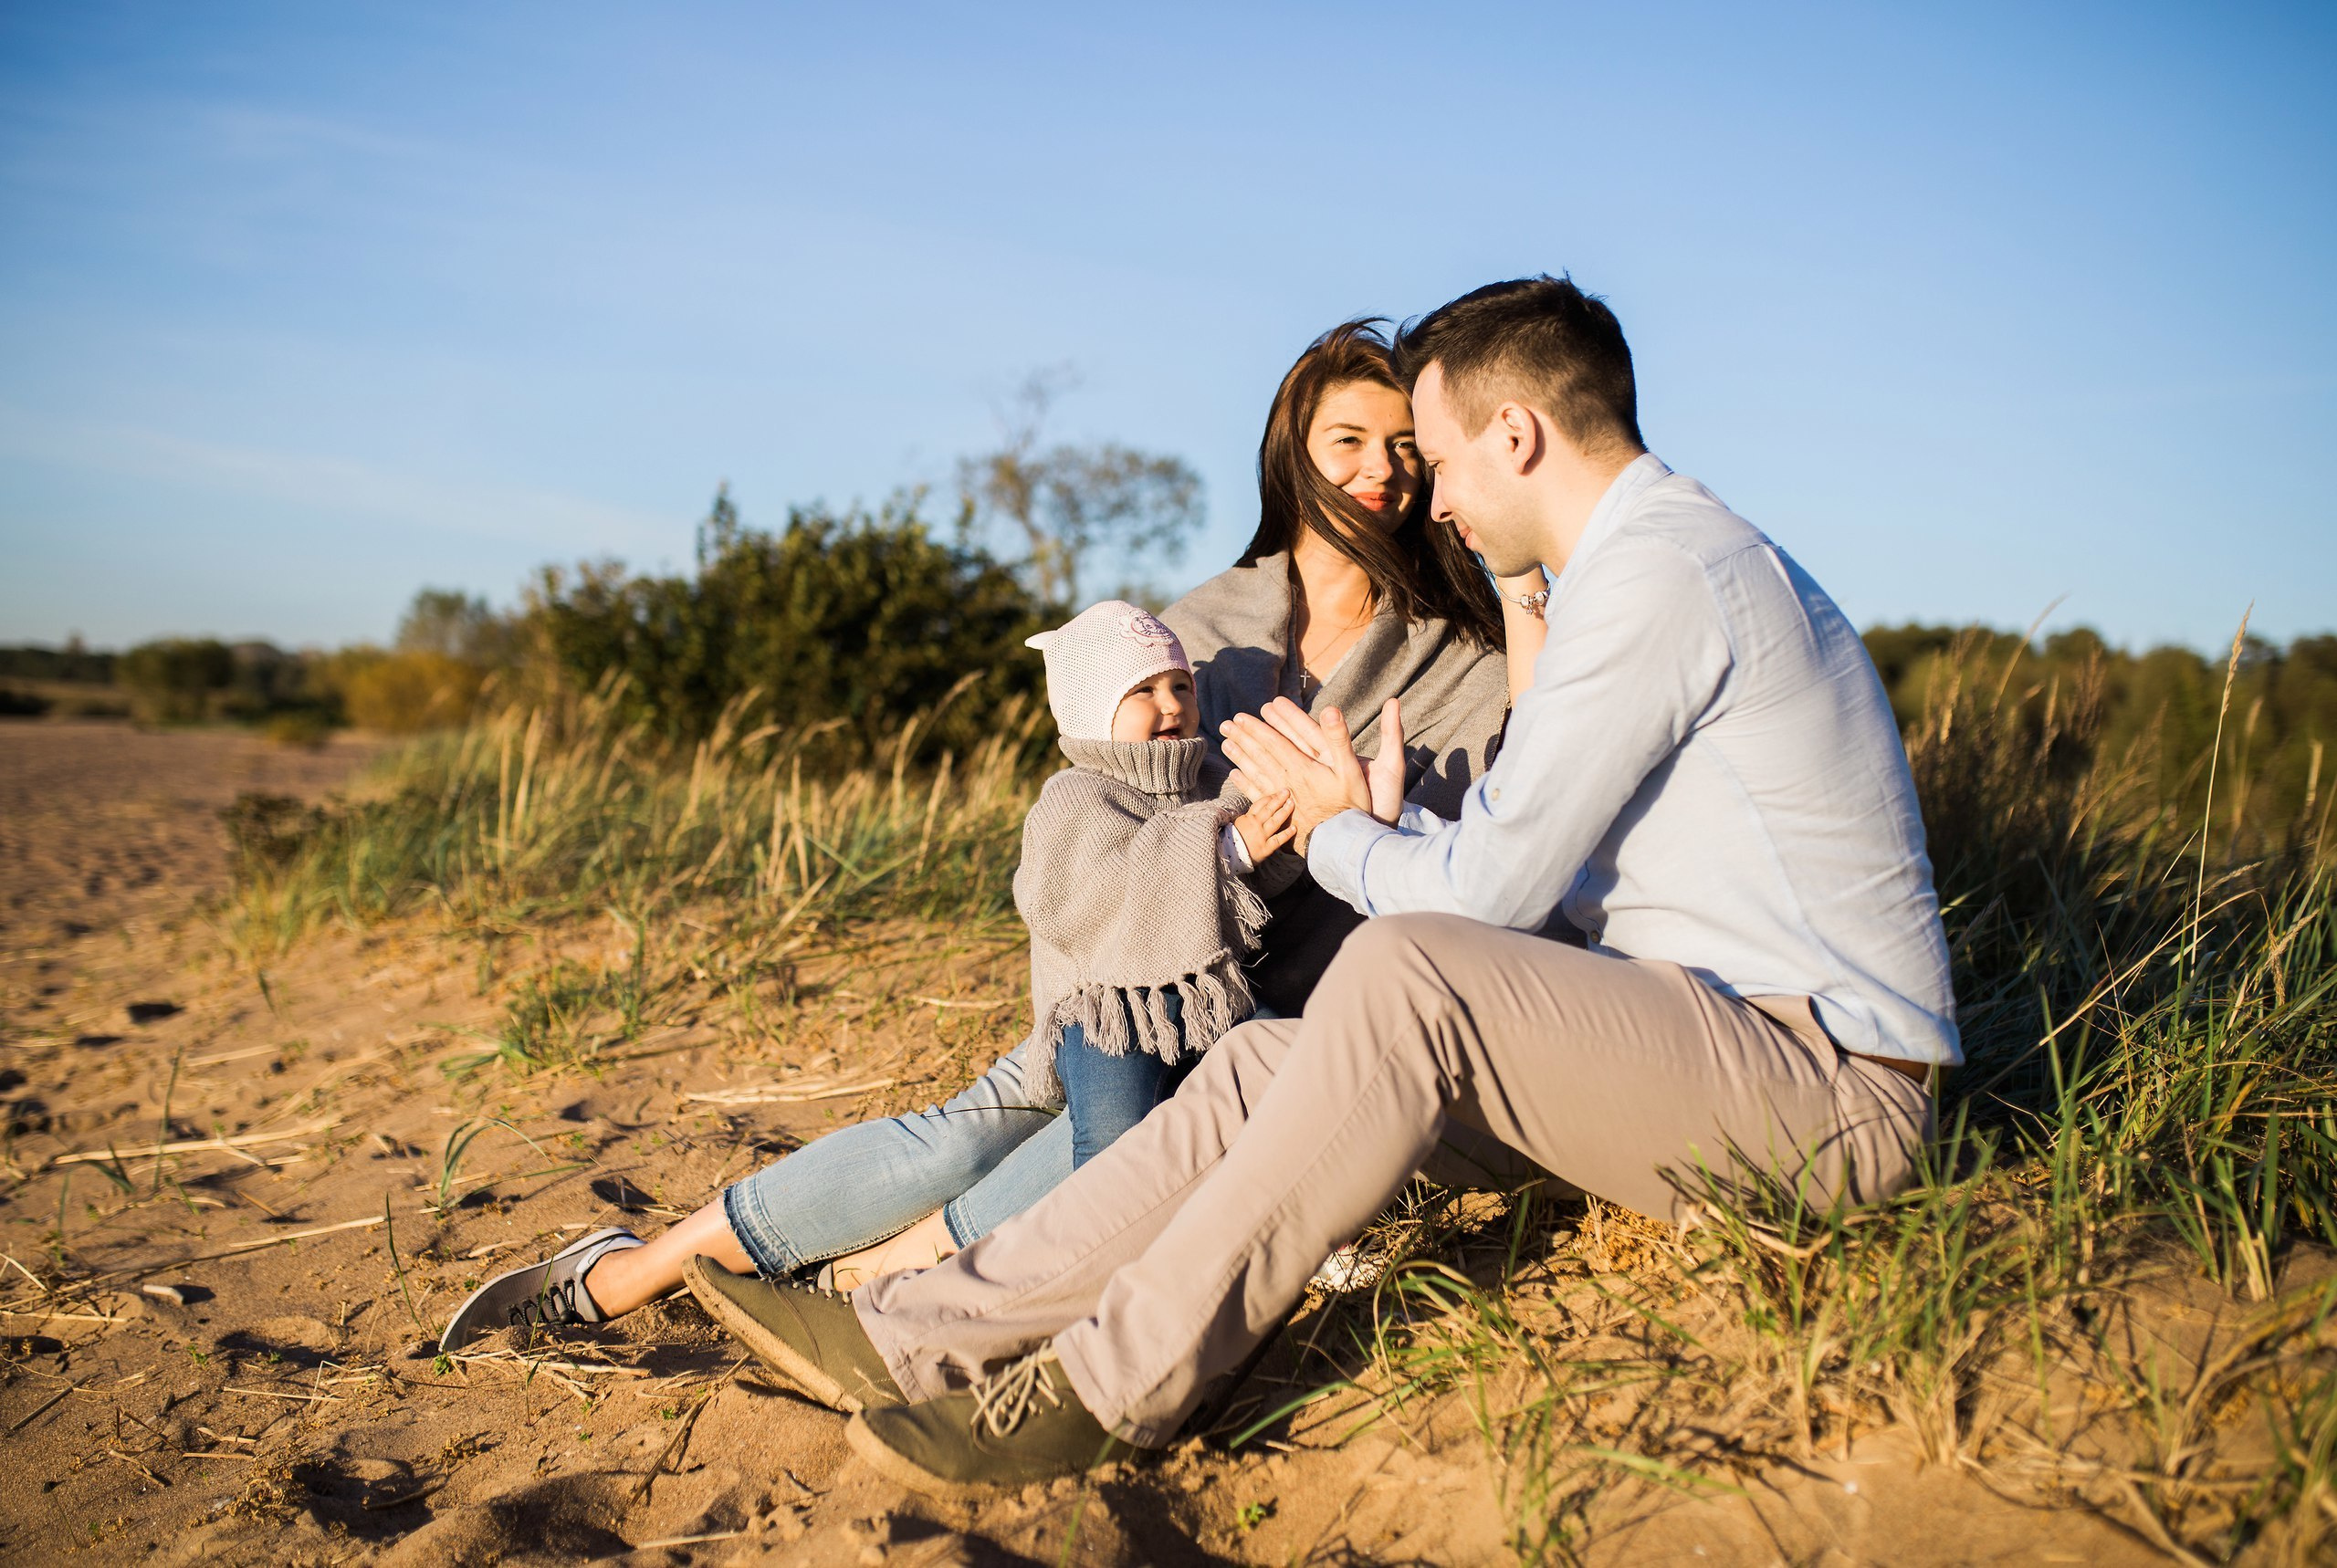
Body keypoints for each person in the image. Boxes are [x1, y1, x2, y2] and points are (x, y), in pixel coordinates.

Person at [680, 274, 1961, 1495]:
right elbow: (1527, 862)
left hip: (1825, 1093)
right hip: (1688, 1035)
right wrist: (1408, 779)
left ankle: (1116, 1382)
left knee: (1402, 970)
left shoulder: (1663, 577)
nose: (1433, 497)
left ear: (1515, 435)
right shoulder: (1629, 576)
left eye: (1442, 458)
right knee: (1257, 1065)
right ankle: (915, 1329)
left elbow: (1493, 895)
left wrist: (1342, 825)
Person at [435, 320, 1535, 1352]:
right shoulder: (1198, 629)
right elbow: (1091, 830)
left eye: (1402, 447)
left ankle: (855, 1294)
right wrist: (1239, 847)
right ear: (1291, 450)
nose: (1378, 470)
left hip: (1288, 1013)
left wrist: (1359, 815)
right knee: (966, 1132)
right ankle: (638, 1266)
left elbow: (1489, 831)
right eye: (1346, 439)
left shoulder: (1460, 654)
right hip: (1126, 979)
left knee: (1102, 1162)